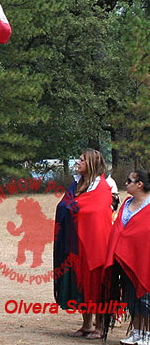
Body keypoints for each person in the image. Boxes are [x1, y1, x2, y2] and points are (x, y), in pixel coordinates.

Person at [53, 148, 113, 339]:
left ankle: (101, 326)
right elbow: (63, 205)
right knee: (80, 282)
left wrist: (74, 208)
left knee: (96, 282)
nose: (77, 163)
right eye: (78, 159)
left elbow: (95, 211)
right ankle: (86, 324)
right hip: (75, 242)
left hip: (95, 243)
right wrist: (72, 208)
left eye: (82, 160)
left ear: (92, 164)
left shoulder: (102, 187)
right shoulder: (76, 184)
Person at [101, 169, 150, 345]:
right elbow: (119, 228)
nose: (126, 183)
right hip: (125, 259)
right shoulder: (127, 203)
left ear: (140, 185)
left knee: (145, 298)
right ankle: (136, 332)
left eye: (129, 181)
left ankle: (147, 333)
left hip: (144, 260)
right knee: (131, 296)